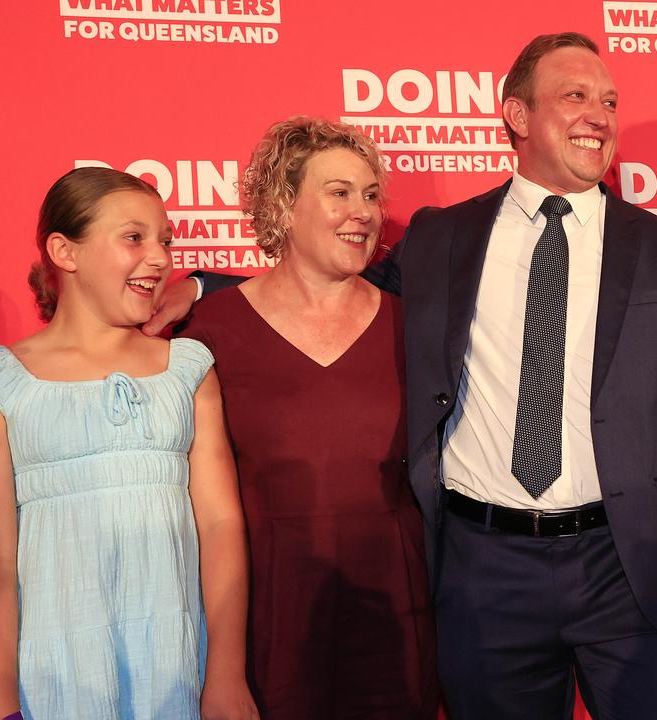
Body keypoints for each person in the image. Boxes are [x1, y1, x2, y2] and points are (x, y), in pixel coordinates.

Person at [146, 32, 657, 719]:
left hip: (630, 564)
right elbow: (321, 281)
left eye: (610, 100)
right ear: (516, 115)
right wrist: (205, 286)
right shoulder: (442, 238)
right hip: (485, 572)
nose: (599, 113)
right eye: (575, 95)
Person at [0, 167, 255, 720]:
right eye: (134, 237)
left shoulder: (187, 369)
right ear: (65, 251)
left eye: (165, 240)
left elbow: (220, 526)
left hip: (172, 670)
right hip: (45, 680)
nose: (160, 258)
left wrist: (226, 675)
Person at [179, 117, 439, 718]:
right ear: (283, 206)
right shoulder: (211, 330)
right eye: (339, 193)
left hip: (397, 619)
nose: (364, 212)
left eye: (371, 194)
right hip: (269, 624)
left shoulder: (415, 325)